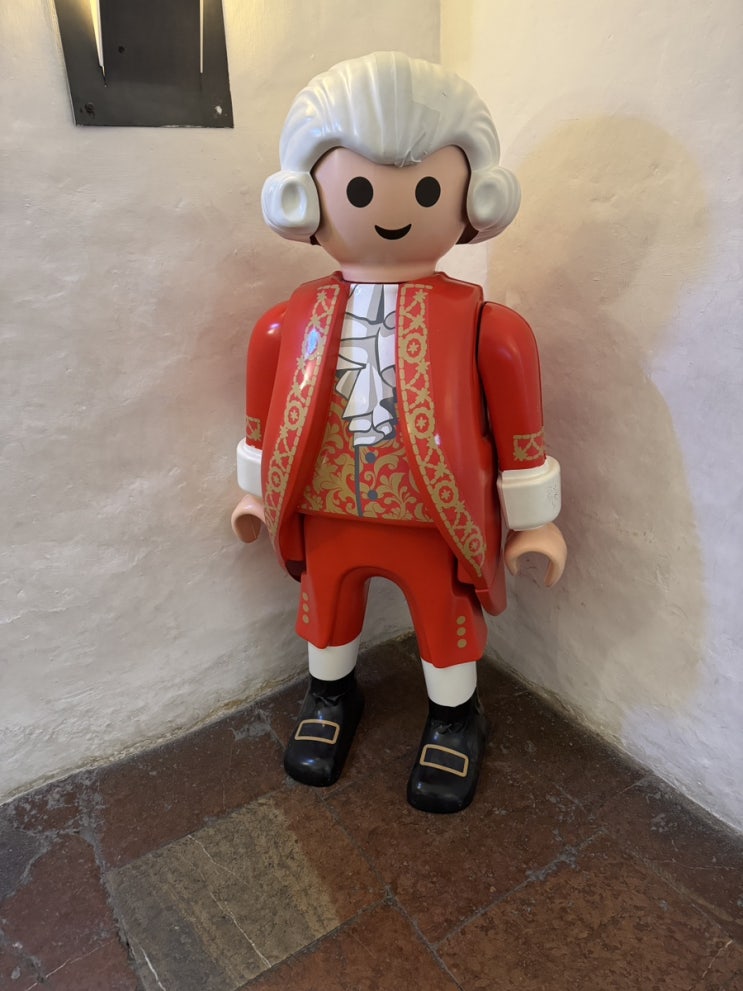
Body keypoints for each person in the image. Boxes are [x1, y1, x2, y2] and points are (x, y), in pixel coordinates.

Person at [231, 52, 567, 813]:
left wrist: (534, 520)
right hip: (324, 503)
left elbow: (522, 437)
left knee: (441, 612)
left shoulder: (487, 326)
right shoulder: (286, 325)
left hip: (434, 511)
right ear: (305, 199)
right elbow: (260, 419)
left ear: (472, 197)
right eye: (357, 188)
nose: (389, 209)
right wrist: (253, 491)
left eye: (425, 189)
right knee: (327, 606)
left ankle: (454, 717)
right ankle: (329, 696)